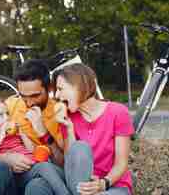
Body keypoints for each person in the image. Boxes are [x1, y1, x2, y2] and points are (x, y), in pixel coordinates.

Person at [0, 60, 66, 195]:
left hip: (40, 174)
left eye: (35, 95)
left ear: (50, 88)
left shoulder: (60, 112)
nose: (29, 103)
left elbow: (63, 164)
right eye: (23, 96)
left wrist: (44, 133)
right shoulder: (9, 107)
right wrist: (4, 158)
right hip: (12, 180)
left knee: (37, 185)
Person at [53, 63, 135, 195]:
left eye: (60, 89)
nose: (57, 95)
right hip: (80, 186)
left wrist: (103, 184)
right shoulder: (67, 117)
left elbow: (122, 163)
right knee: (79, 148)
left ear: (79, 87)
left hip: (112, 186)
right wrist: (68, 128)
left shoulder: (118, 112)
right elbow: (72, 165)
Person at [0, 99, 71, 195]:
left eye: (7, 113)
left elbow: (32, 150)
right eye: (1, 115)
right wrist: (1, 137)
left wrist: (22, 134)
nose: (7, 118)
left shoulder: (15, 136)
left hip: (28, 173)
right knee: (43, 167)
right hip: (12, 178)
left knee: (41, 173)